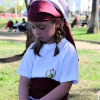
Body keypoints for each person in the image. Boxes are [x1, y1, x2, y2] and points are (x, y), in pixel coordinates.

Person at [17, 0, 78, 100]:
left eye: (41, 27)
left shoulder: (68, 50)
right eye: (33, 27)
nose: (36, 32)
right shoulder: (32, 49)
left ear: (57, 23)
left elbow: (65, 86)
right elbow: (24, 81)